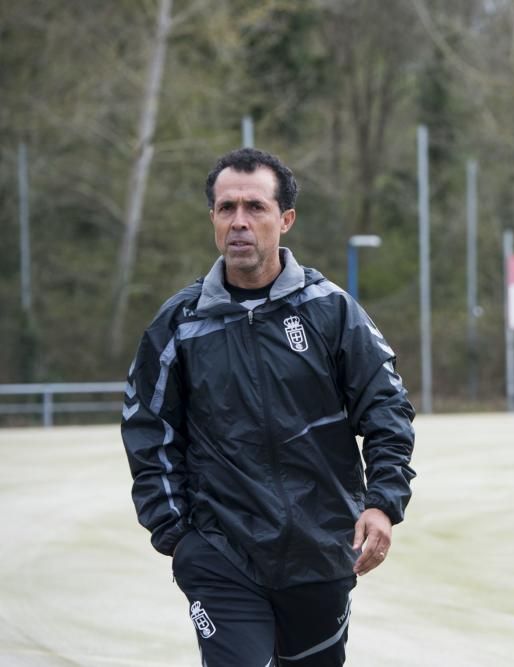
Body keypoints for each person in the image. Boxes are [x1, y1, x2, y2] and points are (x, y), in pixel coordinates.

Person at [121, 147, 416, 666]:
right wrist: (178, 537)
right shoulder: (178, 326)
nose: (239, 221)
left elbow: (387, 410)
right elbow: (148, 431)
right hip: (221, 555)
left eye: (254, 208)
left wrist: (382, 502)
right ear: (212, 217)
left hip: (321, 554)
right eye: (226, 208)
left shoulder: (333, 312)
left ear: (285, 220)